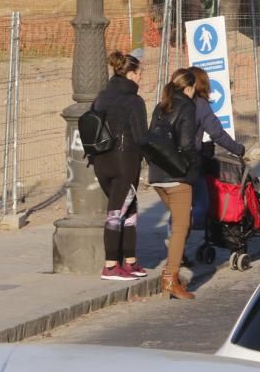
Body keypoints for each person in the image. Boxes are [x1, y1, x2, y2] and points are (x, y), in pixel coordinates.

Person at [91, 50, 148, 281]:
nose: (142, 78)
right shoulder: (134, 101)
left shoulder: (102, 96)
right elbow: (141, 137)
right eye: (140, 73)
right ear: (131, 74)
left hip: (101, 161)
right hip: (125, 161)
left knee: (128, 208)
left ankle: (131, 261)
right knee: (117, 213)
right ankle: (111, 265)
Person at [149, 68, 201, 301]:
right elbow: (187, 143)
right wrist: (194, 165)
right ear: (189, 88)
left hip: (157, 175)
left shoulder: (160, 106)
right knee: (181, 227)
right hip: (177, 176)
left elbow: (150, 139)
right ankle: (170, 278)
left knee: (184, 221)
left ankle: (173, 267)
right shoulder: (187, 107)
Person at [188, 66, 249, 232]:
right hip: (191, 161)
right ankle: (189, 235)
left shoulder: (174, 102)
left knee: (180, 205)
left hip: (170, 163)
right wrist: (238, 149)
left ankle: (174, 235)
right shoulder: (200, 104)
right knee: (202, 203)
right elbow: (217, 133)